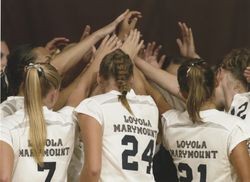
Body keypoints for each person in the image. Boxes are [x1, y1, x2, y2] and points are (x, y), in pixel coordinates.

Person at [0, 10, 129, 119]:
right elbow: (73, 83)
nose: (52, 69)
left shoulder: (49, 107)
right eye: (48, 62)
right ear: (26, 70)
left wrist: (85, 63)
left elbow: (67, 81)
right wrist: (98, 39)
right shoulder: (10, 110)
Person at [75, 30, 159, 182]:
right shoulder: (150, 106)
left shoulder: (93, 106)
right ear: (131, 78)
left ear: (99, 78)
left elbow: (93, 170)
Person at [158, 59, 250, 181]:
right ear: (216, 82)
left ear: (182, 93)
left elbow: (155, 95)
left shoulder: (171, 125)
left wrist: (132, 61)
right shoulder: (233, 128)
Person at [0, 63, 75, 181]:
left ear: (25, 89)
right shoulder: (69, 124)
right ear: (53, 95)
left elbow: (4, 178)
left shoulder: (6, 127)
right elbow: (79, 94)